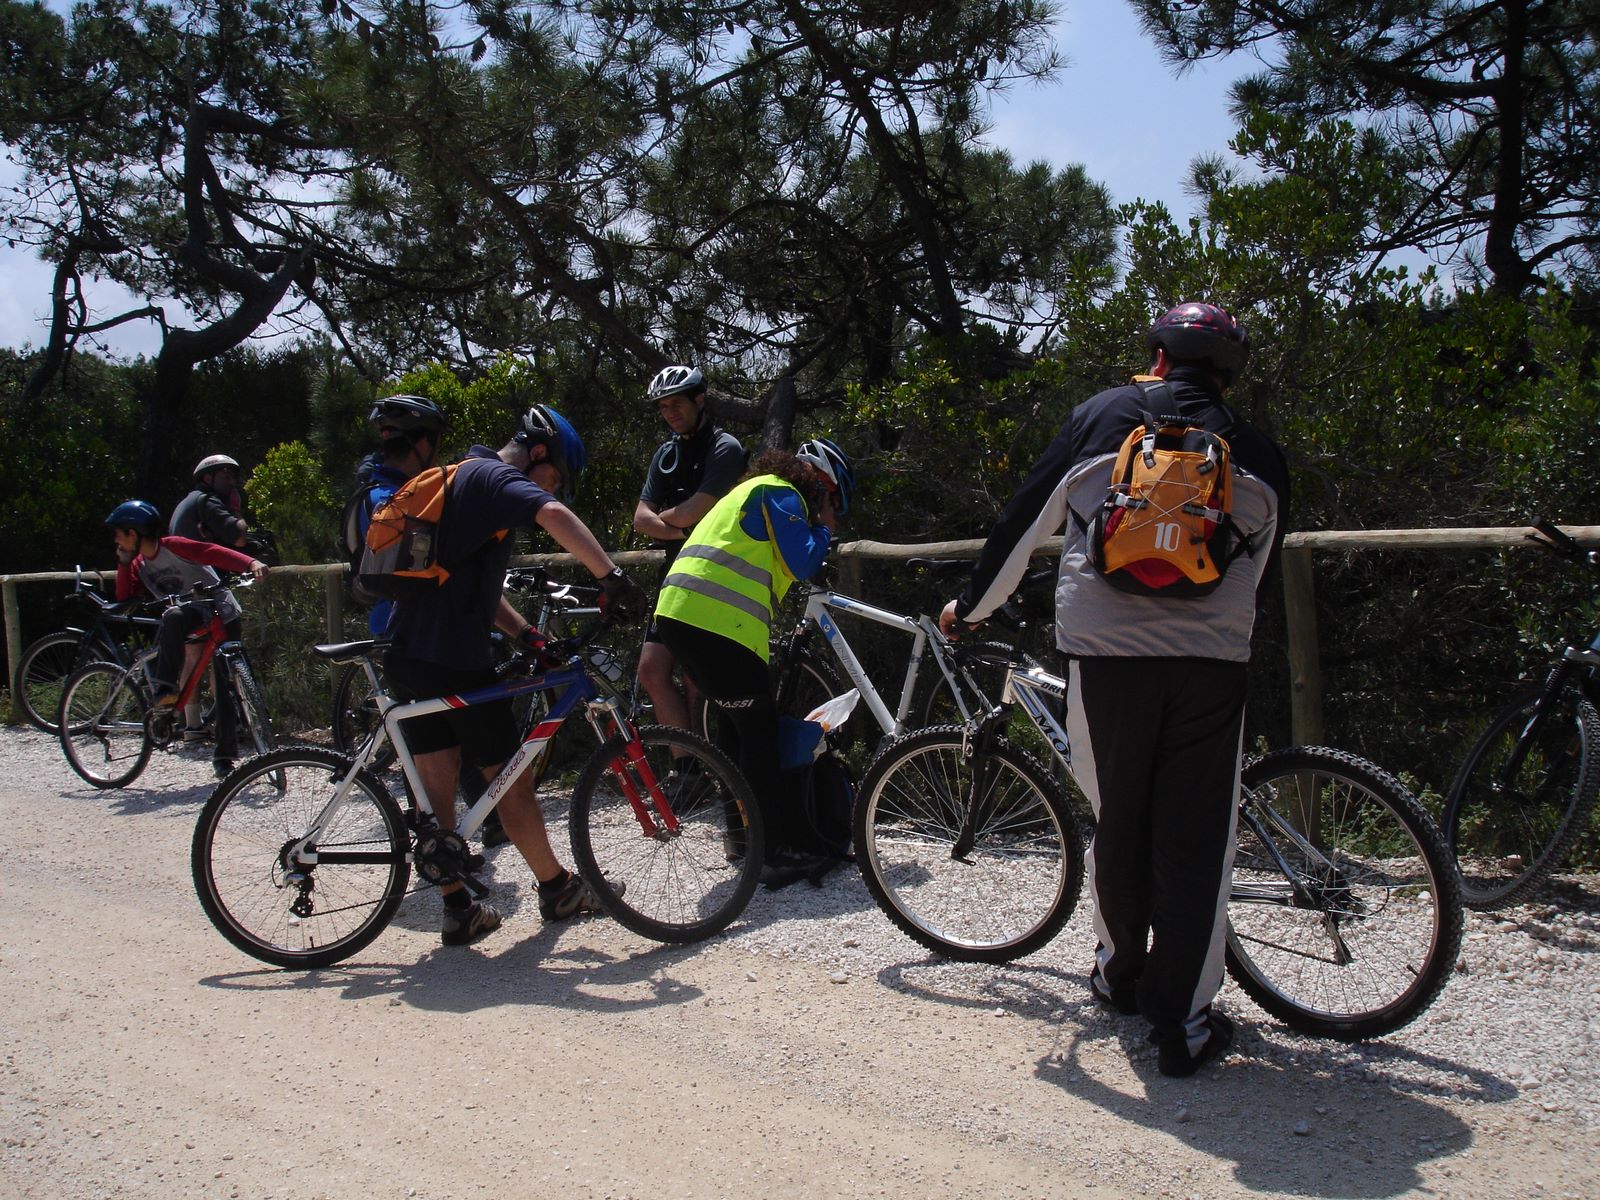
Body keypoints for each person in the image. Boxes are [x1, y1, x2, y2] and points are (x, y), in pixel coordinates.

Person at [939, 302, 1289, 1077]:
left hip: (1104, 658)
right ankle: (1184, 1025)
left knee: (1120, 818)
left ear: (1157, 358)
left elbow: (1023, 524)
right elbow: (1256, 576)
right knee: (1197, 842)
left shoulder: (1099, 418)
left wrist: (972, 606)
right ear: (1227, 376)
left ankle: (1118, 975)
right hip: (1209, 666)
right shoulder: (1259, 452)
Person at [381, 403, 648, 946]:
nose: (554, 488)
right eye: (557, 477)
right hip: (457, 662)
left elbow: (476, 591)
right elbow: (553, 515)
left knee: (437, 786)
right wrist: (612, 577)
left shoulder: (464, 479)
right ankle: (558, 889)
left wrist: (527, 635)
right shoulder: (495, 476)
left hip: (412, 652)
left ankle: (458, 909)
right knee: (511, 780)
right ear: (539, 452)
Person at [651, 437, 853, 874]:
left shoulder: (749, 490)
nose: (827, 508)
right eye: (830, 497)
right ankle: (772, 853)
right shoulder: (781, 492)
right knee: (758, 735)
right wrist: (825, 528)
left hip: (681, 615)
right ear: (817, 481)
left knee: (734, 729)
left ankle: (741, 841)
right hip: (715, 622)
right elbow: (804, 563)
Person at [347, 394, 511, 851]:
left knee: (439, 738)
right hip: (415, 631)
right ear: (422, 443)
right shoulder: (394, 497)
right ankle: (441, 839)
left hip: (396, 629)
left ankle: (461, 832)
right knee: (436, 741)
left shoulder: (375, 490)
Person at [106, 499, 270, 778]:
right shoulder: (137, 564)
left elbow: (211, 552)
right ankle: (166, 694)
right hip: (188, 617)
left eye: (119, 533)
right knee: (173, 616)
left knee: (226, 682)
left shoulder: (173, 546)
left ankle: (224, 757)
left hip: (222, 611)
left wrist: (250, 562)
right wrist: (123, 563)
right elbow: (124, 597)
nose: (116, 540)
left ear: (133, 532)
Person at [632, 365, 747, 735]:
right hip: (675, 575)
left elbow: (694, 510)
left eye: (676, 403)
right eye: (663, 406)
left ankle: (711, 761)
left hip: (716, 574)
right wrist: (682, 528)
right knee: (651, 670)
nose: (670, 413)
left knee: (696, 676)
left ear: (699, 400)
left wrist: (668, 521)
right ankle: (686, 763)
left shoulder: (725, 448)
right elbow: (640, 519)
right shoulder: (666, 455)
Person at [172, 455, 250, 549]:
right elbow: (240, 539)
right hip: (196, 558)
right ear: (208, 478)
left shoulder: (191, 498)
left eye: (233, 478)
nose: (232, 482)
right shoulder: (208, 502)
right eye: (226, 477)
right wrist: (235, 508)